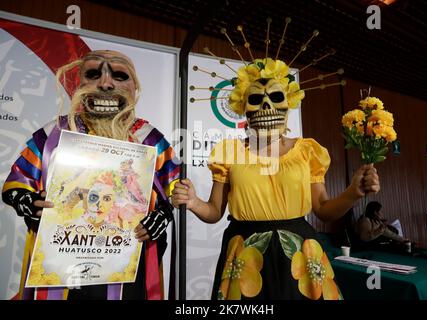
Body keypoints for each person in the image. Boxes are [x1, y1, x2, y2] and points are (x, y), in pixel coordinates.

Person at [172, 56, 380, 300]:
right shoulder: (229, 152)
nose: (266, 106)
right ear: (244, 109)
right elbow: (215, 211)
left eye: (275, 97)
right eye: (256, 100)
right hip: (245, 253)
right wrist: (194, 202)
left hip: (300, 253)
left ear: (288, 104)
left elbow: (323, 209)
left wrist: (352, 193)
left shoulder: (306, 151)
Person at [1, 50, 179, 300]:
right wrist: (27, 201)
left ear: (134, 87)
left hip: (128, 264)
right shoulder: (54, 133)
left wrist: (162, 214)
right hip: (60, 266)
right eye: (94, 74)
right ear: (79, 83)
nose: (106, 83)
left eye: (119, 75)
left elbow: (176, 190)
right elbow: (17, 183)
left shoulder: (150, 139)